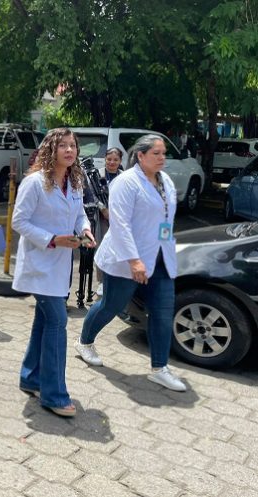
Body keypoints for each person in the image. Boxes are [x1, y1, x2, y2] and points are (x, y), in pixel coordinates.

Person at [76, 135, 187, 392]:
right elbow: (120, 225)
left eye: (163, 153)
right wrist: (135, 261)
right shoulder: (126, 183)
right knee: (110, 306)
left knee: (162, 312)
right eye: (156, 153)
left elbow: (166, 220)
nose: (162, 158)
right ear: (140, 155)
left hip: (160, 259)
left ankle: (160, 368)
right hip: (126, 260)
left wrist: (168, 248)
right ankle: (84, 342)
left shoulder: (165, 182)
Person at [12, 128, 95, 418]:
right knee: (58, 323)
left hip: (60, 266)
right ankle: (54, 394)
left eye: (73, 145)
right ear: (51, 150)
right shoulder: (34, 183)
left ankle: (30, 377)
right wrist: (53, 239)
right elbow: (18, 222)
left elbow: (80, 212)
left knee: (43, 322)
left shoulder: (74, 182)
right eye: (63, 146)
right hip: (39, 264)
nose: (70, 150)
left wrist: (84, 229)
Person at [94, 147, 123, 296]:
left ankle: (115, 280)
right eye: (109, 159)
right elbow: (91, 195)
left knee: (117, 249)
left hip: (119, 219)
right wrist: (103, 209)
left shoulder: (123, 176)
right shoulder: (97, 175)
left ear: (120, 161)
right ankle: (101, 282)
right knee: (101, 248)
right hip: (101, 219)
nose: (112, 162)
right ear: (105, 159)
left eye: (115, 160)